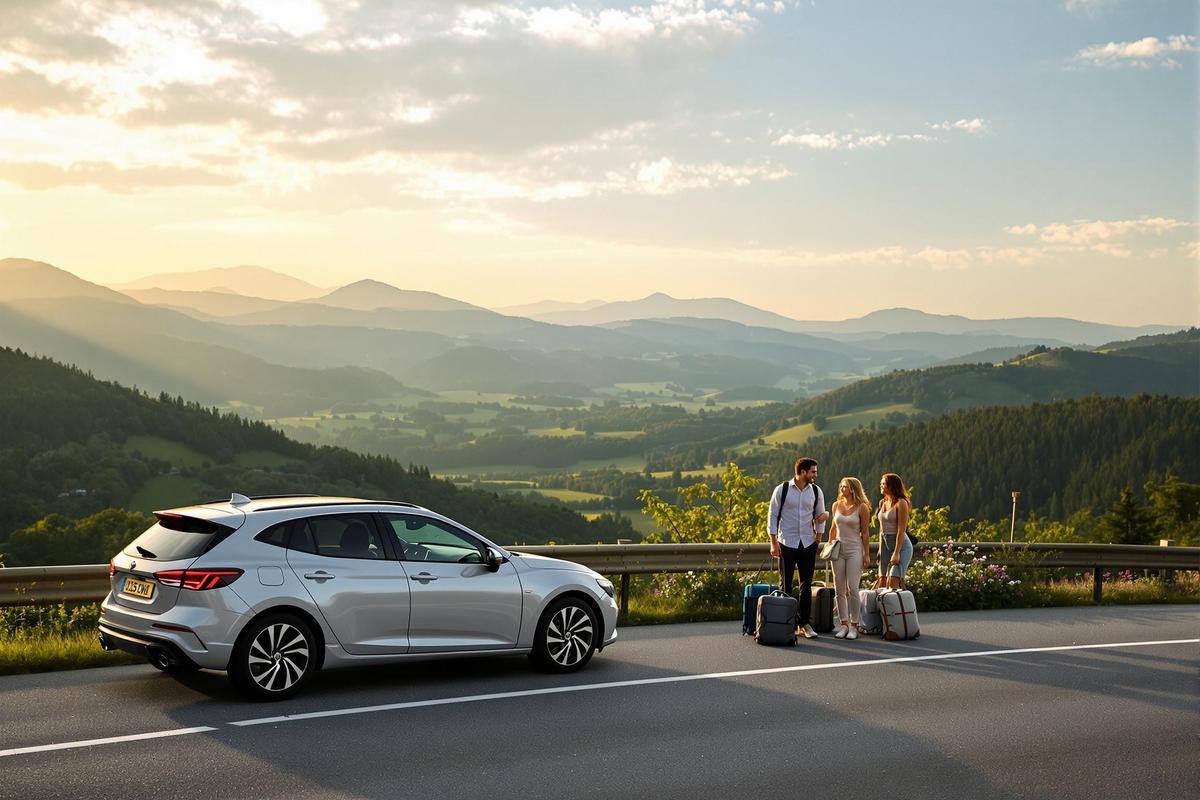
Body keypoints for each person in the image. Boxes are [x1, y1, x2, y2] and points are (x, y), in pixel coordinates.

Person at [767, 457, 829, 639]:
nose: (815, 475)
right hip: (786, 542)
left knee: (806, 585)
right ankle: (786, 623)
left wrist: (818, 538)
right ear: (802, 472)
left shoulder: (816, 491)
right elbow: (772, 516)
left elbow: (820, 514)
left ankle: (804, 624)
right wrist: (773, 541)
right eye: (813, 472)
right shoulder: (782, 489)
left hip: (808, 543)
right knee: (785, 583)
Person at [828, 477, 871, 640]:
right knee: (839, 589)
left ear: (853, 488)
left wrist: (866, 554)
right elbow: (833, 528)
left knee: (852, 587)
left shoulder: (862, 507)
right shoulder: (836, 505)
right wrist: (829, 546)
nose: (841, 489)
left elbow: (865, 533)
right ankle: (843, 624)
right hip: (838, 550)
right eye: (841, 486)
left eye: (844, 486)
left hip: (855, 549)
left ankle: (854, 625)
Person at [877, 473, 914, 590]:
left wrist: (897, 552)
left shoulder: (901, 503)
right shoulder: (883, 502)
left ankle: (896, 608)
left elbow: (901, 529)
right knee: (882, 581)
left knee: (893, 581)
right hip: (885, 543)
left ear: (891, 485)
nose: (881, 486)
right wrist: (879, 549)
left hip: (902, 547)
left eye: (883, 484)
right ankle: (882, 608)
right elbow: (881, 529)